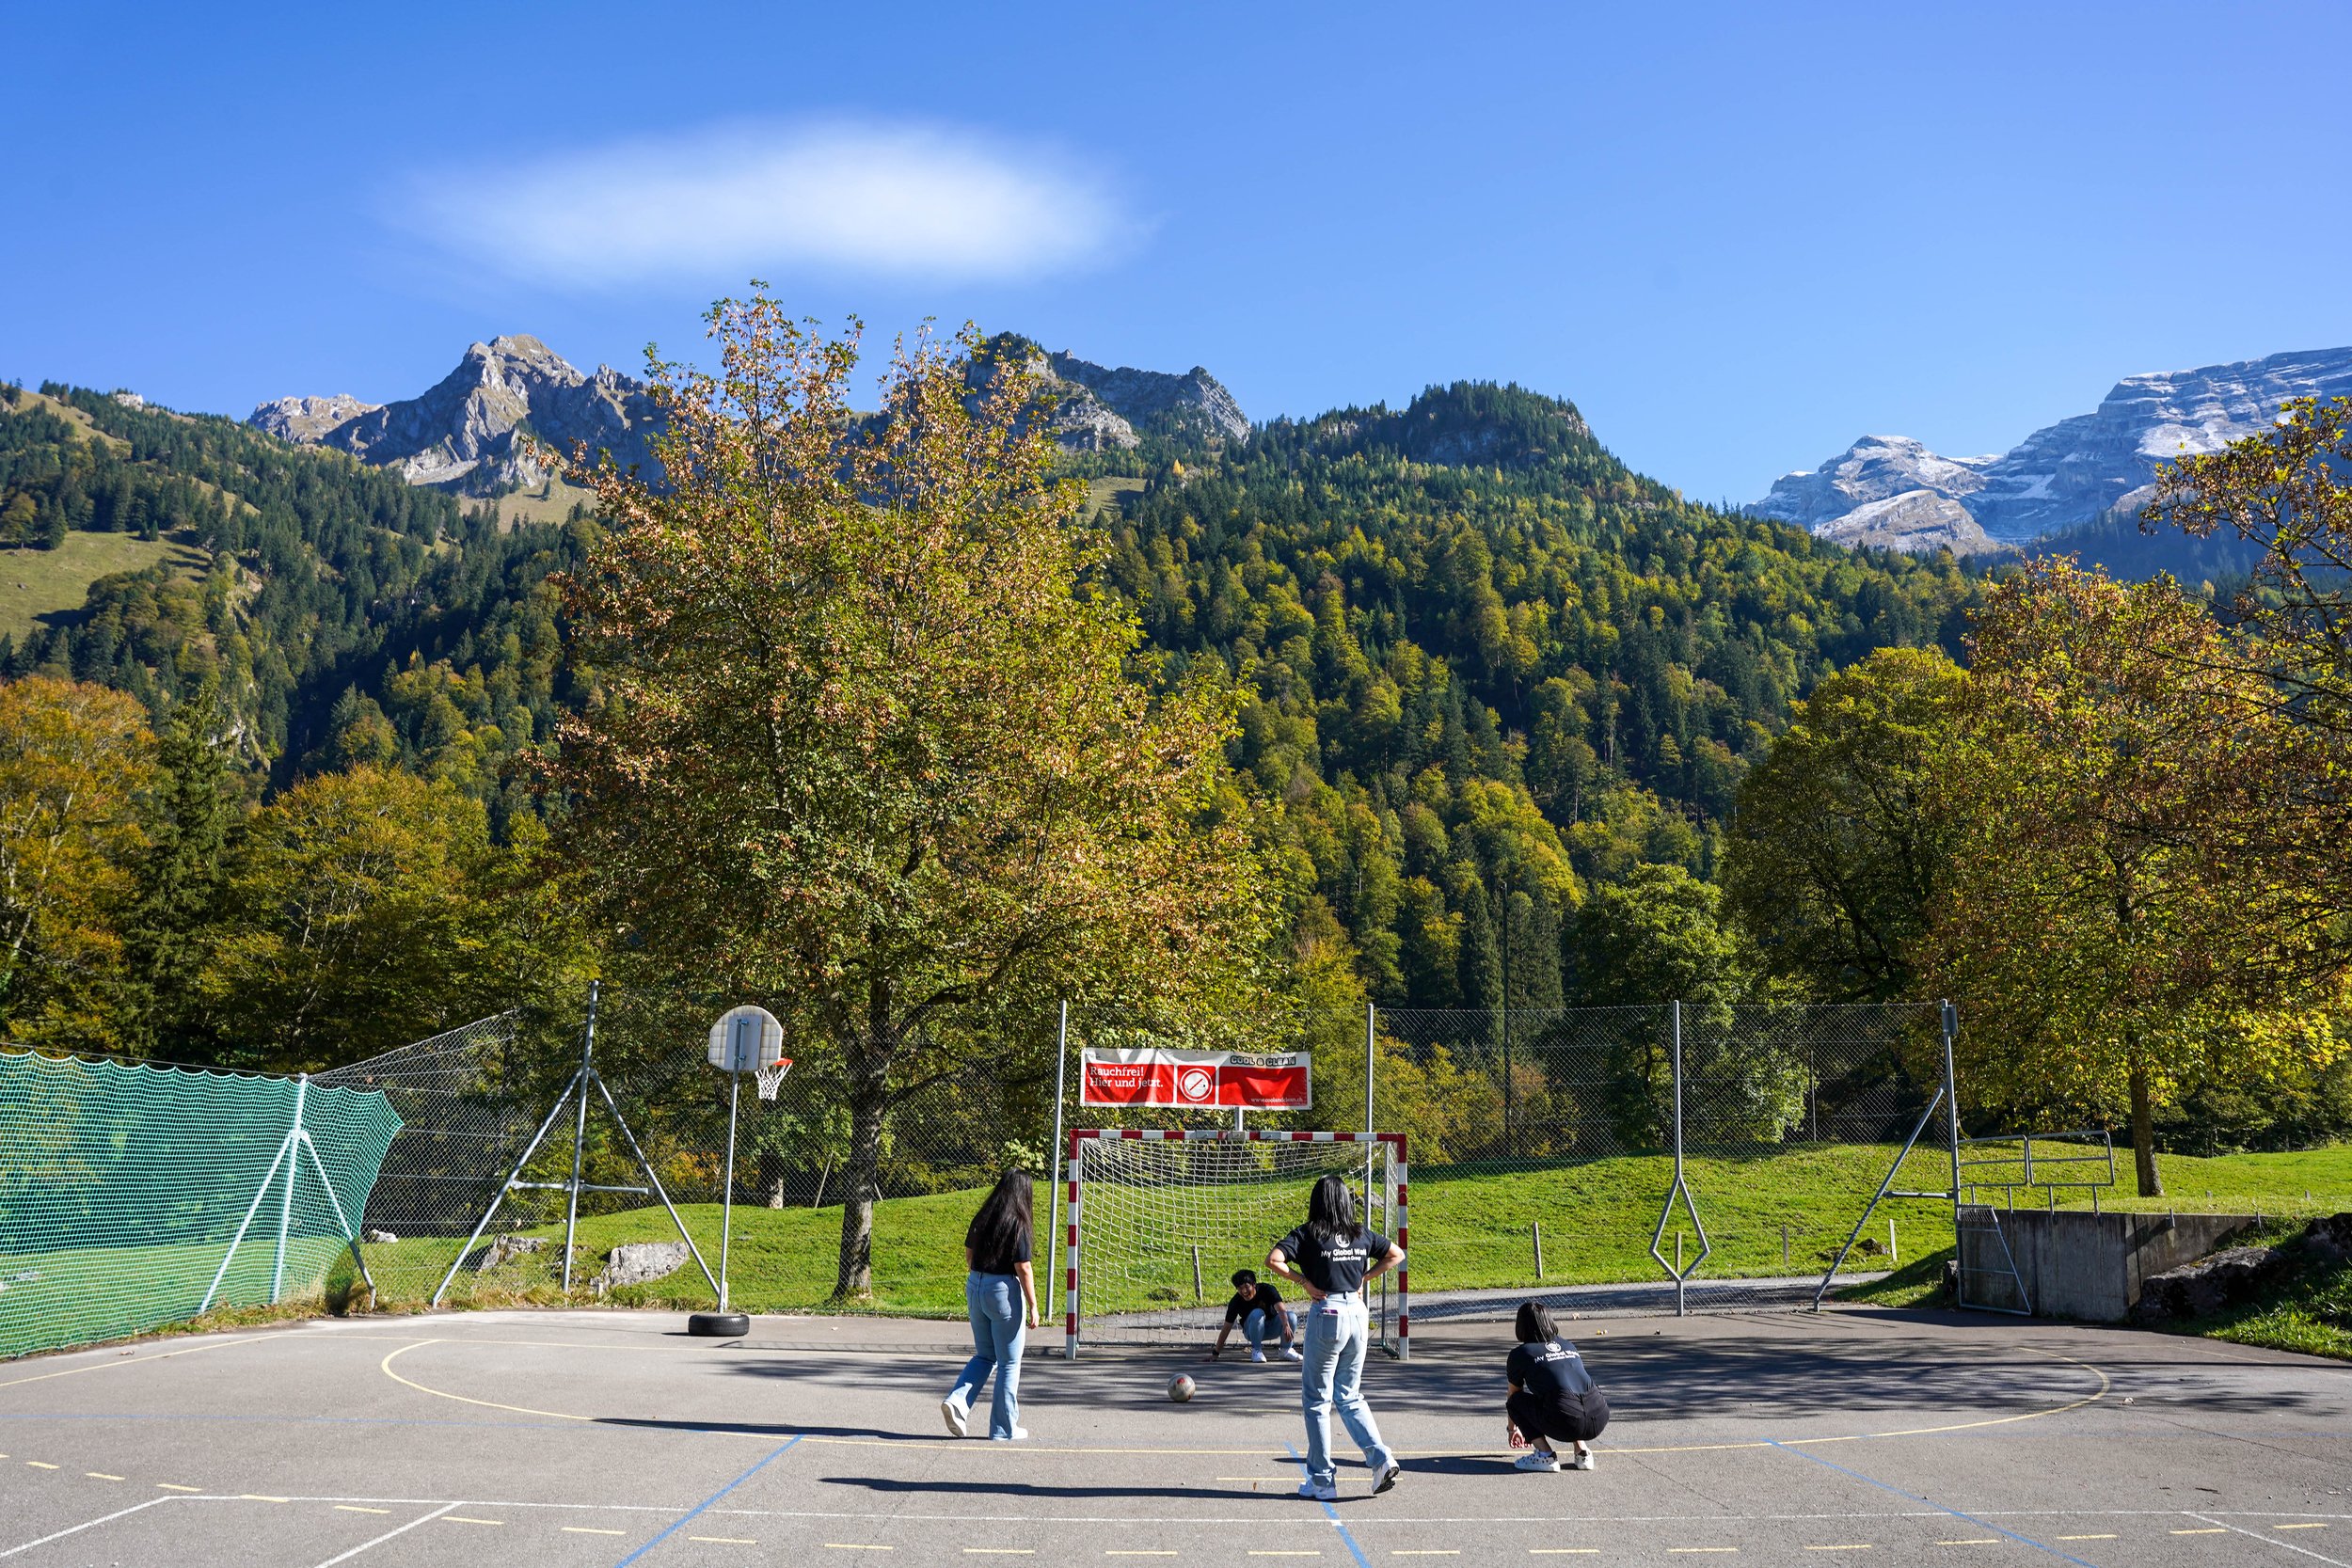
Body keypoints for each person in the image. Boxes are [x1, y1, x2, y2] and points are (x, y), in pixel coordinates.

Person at [1266, 1174, 1405, 1501]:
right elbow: (1396, 1254)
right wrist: (1364, 1277)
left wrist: (1304, 1283)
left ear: (1317, 1201)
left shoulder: (1308, 1233)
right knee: (1350, 1395)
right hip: (1357, 1313)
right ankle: (1381, 1459)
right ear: (1344, 1201)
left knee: (1316, 1399)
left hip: (1327, 1312)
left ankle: (1322, 1479)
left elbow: (1274, 1260)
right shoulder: (1359, 1234)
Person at [942, 1170, 1041, 1441]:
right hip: (1001, 1291)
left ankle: (957, 1402)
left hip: (975, 1286)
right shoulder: (1017, 1222)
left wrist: (980, 1281)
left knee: (985, 1356)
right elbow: (1024, 1267)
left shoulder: (983, 1217)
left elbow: (970, 1256)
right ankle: (1004, 1428)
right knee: (1009, 1362)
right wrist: (1033, 1305)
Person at [1503, 1301, 1608, 1472]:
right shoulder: (1567, 1345)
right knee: (1566, 1394)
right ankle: (1583, 1453)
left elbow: (1513, 1395)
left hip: (1566, 1421)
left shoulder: (1521, 1354)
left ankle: (1545, 1455)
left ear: (1521, 1326)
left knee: (1517, 1400)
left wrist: (1513, 1429)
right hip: (1599, 1415)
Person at [1207, 1268, 1302, 1363]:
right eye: (1240, 1288)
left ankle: (1286, 1350)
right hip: (1251, 1332)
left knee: (1291, 1316)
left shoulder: (1267, 1290)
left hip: (1272, 1328)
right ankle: (1256, 1350)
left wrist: (1286, 1325)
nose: (1244, 1291)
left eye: (1247, 1287)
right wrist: (1215, 1353)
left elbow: (1281, 1308)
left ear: (1254, 1284)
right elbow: (1226, 1328)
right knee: (1257, 1313)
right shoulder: (1235, 1301)